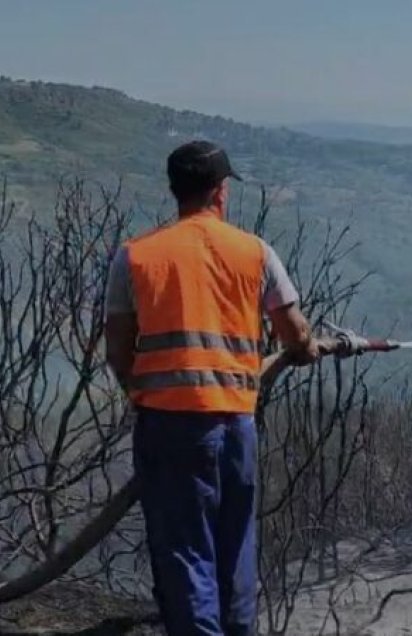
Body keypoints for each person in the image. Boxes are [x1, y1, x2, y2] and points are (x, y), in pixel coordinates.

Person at [104, 140, 320, 635]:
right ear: (220, 192)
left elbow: (118, 351)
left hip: (168, 428)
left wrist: (143, 393)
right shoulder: (255, 252)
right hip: (235, 427)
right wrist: (304, 349)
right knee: (234, 549)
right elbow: (295, 332)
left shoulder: (134, 258)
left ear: (174, 190)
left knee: (185, 555)